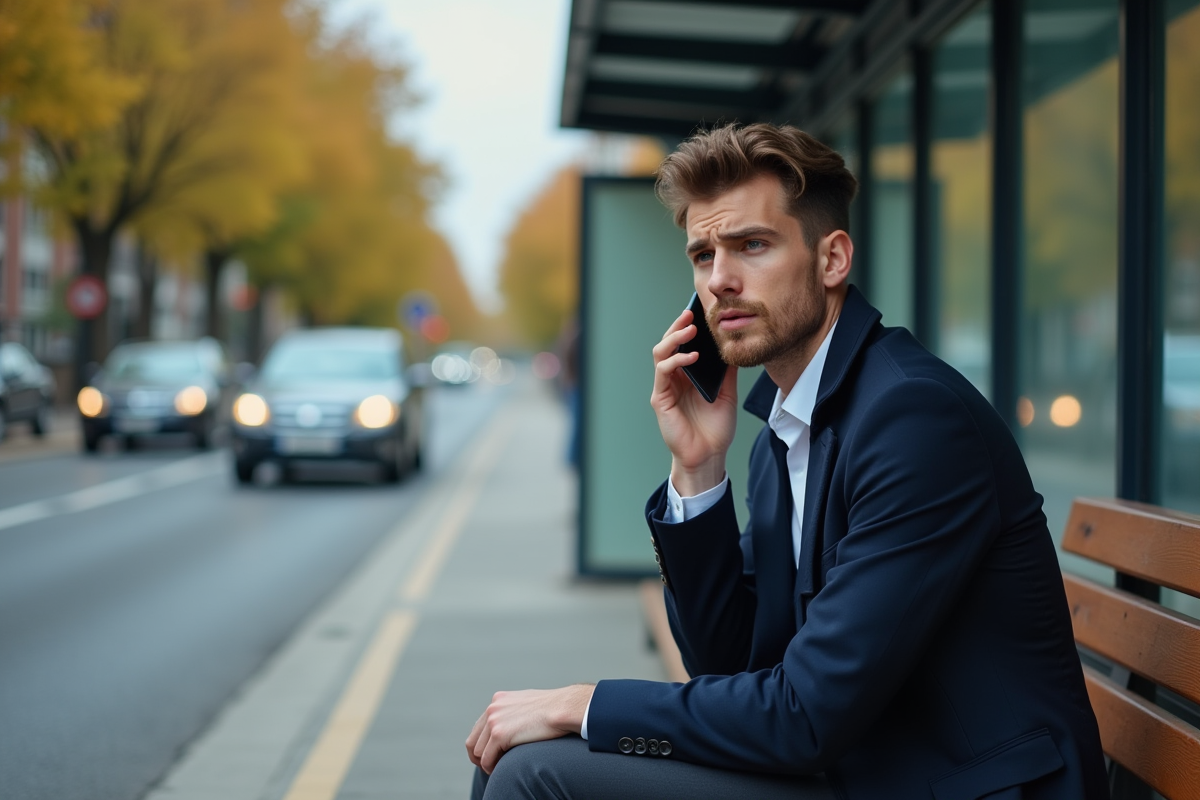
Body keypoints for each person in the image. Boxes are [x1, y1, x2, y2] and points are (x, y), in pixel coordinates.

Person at [466, 123, 1109, 800]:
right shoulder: (788, 427)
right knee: (511, 761)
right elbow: (728, 663)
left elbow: (804, 716)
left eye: (752, 245)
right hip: (855, 768)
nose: (720, 280)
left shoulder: (914, 419)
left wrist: (583, 702)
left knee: (533, 772)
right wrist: (699, 470)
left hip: (953, 784)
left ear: (832, 260)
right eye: (703, 254)